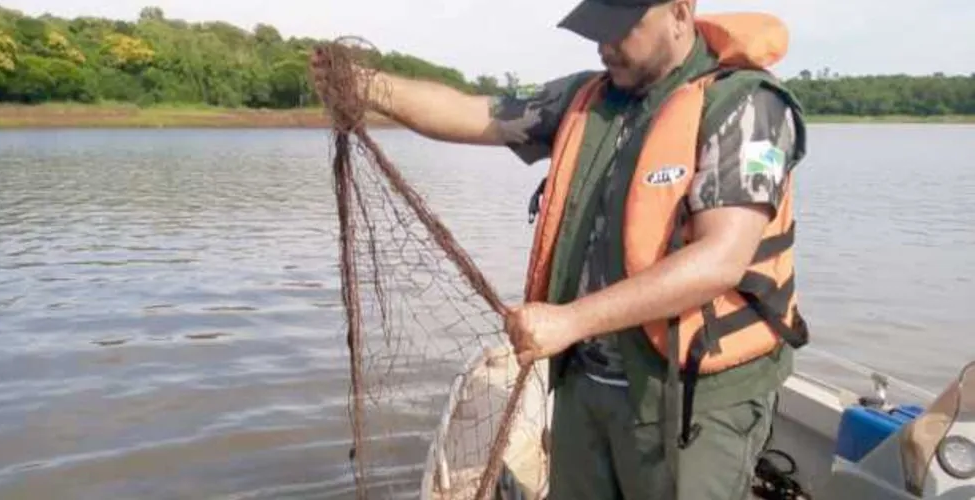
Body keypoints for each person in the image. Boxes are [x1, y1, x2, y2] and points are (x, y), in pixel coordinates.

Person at [312, 0, 811, 498]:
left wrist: (571, 320)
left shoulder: (749, 107)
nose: (604, 46)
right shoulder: (585, 98)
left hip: (691, 401)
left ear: (680, 13)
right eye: (597, 29)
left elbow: (720, 260)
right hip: (585, 387)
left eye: (621, 29)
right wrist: (369, 86)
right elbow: (471, 113)